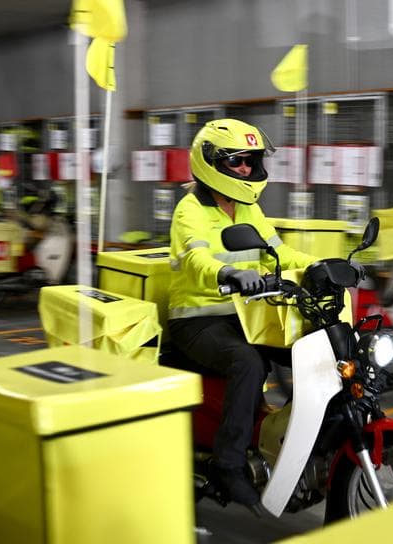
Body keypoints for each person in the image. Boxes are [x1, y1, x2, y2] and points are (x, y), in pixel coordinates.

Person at [167, 118, 318, 507]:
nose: (247, 170)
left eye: (251, 161)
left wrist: (322, 265)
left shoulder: (248, 208)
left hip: (242, 314)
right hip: (196, 320)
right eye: (238, 162)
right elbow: (197, 258)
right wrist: (228, 271)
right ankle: (228, 464)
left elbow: (278, 252)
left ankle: (299, 439)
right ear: (211, 163)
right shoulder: (190, 210)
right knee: (248, 363)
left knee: (310, 349)